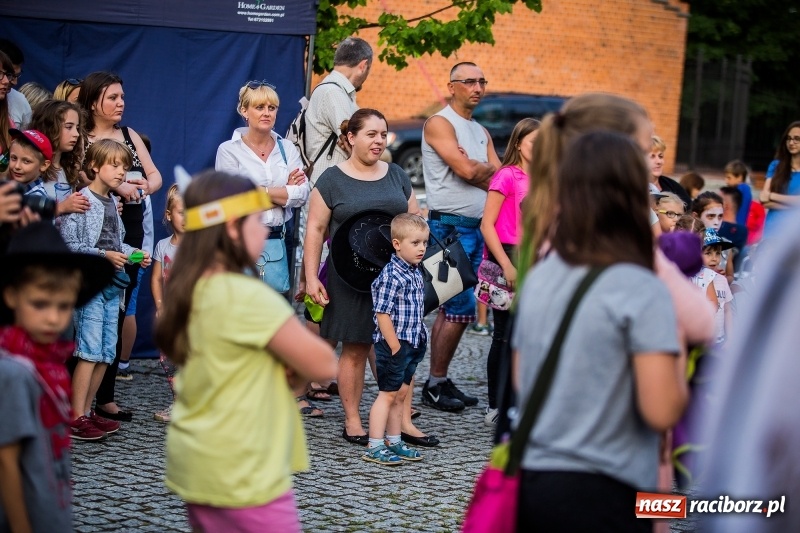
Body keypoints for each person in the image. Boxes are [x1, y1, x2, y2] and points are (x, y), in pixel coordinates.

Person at [514, 131, 688, 532]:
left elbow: (524, 379)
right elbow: (661, 408)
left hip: (540, 477)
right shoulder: (643, 286)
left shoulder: (541, 276)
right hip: (615, 482)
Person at [155, 170, 337, 533]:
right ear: (234, 230)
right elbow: (323, 363)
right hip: (244, 462)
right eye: (258, 219)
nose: (264, 228)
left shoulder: (190, 288)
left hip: (196, 457)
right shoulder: (248, 296)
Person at [304, 108, 427, 446]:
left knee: (403, 345)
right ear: (350, 138)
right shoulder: (331, 180)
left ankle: (400, 422)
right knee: (355, 350)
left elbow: (414, 220)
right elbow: (314, 230)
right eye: (370, 134)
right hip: (349, 279)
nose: (378, 140)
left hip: (395, 280)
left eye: (383, 133)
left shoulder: (397, 174)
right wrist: (311, 277)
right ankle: (354, 420)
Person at [0, 221, 113, 533]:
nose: (53, 317)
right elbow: (6, 463)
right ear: (11, 296)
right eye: (40, 304)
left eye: (64, 306)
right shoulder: (13, 371)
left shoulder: (51, 365)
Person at [77, 71, 162, 420]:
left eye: (122, 97)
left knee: (116, 312)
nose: (120, 103)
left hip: (131, 230)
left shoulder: (129, 135)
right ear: (94, 99)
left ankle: (105, 397)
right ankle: (78, 405)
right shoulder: (82, 136)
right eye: (112, 97)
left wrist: (141, 186)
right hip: (97, 235)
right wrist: (116, 189)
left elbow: (155, 175)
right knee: (90, 317)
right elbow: (80, 175)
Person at [420, 61, 502, 412]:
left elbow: (501, 177)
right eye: (469, 81)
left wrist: (478, 171)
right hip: (448, 228)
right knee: (458, 307)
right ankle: (434, 383)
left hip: (478, 228)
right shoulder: (440, 123)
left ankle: (437, 380)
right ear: (451, 86)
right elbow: (467, 170)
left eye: (482, 81)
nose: (477, 87)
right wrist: (476, 170)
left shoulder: (480, 131)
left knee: (455, 309)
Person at [59, 139, 151, 440]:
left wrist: (136, 253)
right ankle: (75, 416)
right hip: (89, 287)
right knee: (87, 350)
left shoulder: (113, 202)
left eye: (125, 166)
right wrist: (104, 256)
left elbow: (114, 243)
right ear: (95, 166)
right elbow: (70, 246)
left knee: (105, 352)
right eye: (115, 165)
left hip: (113, 287)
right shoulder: (81, 200)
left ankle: (86, 412)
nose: (121, 172)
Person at [215, 80, 308, 294]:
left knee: (277, 319)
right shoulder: (229, 151)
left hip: (280, 241)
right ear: (244, 111)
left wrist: (259, 192)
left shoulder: (287, 148)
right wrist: (283, 190)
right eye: (259, 107)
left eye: (271, 108)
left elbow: (301, 193)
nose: (267, 113)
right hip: (242, 242)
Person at [479, 117, 539, 426]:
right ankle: (495, 404)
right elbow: (487, 224)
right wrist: (506, 264)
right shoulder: (507, 176)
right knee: (504, 335)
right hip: (508, 256)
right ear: (518, 144)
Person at [363, 213, 429, 466]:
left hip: (412, 342)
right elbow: (382, 313)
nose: (422, 248)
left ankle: (393, 439)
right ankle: (375, 445)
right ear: (397, 244)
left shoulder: (414, 271)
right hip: (394, 345)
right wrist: (394, 346)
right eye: (415, 243)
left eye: (424, 242)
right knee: (387, 395)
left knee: (400, 395)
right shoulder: (391, 276)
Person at [151, 184, 183, 422]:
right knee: (169, 360)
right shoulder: (162, 246)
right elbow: (155, 279)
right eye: (182, 212)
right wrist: (160, 306)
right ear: (169, 215)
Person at [28, 99, 90, 215]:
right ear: (50, 128)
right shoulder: (31, 167)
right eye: (69, 127)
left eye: (77, 128)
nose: (76, 134)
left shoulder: (68, 168)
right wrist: (61, 208)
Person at [691, 228, 734, 346]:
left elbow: (727, 310)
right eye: (708, 253)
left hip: (720, 340)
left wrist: (730, 339)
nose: (714, 258)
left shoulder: (722, 280)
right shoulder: (694, 279)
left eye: (718, 253)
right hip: (701, 340)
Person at [759, 121, 800, 236]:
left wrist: (772, 196)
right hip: (773, 227)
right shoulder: (776, 165)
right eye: (789, 138)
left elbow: (768, 196)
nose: (791, 142)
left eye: (797, 139)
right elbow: (763, 199)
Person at [646, 135, 691, 208]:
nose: (659, 161)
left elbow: (688, 212)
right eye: (652, 156)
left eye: (660, 156)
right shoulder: (631, 188)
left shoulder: (674, 188)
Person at [7, 128, 51, 198]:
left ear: (44, 165)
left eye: (26, 161)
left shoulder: (35, 201)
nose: (17, 166)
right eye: (14, 158)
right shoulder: (15, 188)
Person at [0, 39, 31, 130]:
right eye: (1, 74)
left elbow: (25, 142)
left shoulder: (20, 101)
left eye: (16, 75)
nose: (14, 82)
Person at [723, 160, 752, 226]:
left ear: (739, 177)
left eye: (729, 178)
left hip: (734, 225)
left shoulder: (739, 189)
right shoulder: (746, 189)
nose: (726, 181)